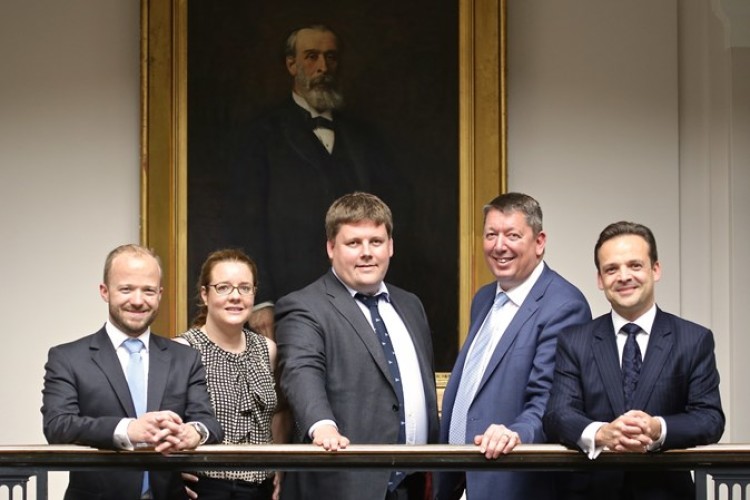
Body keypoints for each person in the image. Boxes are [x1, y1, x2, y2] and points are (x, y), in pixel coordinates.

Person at [204, 24, 401, 331]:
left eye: (330, 57)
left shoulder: (363, 137)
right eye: (311, 57)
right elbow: (246, 222)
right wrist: (261, 300)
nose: (323, 67)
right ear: (291, 64)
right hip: (288, 302)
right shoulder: (261, 134)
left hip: (358, 304)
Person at [542, 221, 725, 499]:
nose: (624, 276)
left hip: (665, 493)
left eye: (635, 265)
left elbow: (709, 418)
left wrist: (656, 429)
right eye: (611, 269)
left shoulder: (694, 339)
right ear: (600, 280)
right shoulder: (574, 341)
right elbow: (557, 415)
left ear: (656, 269)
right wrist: (602, 433)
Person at [275, 192, 439, 500]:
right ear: (331, 248)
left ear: (390, 246)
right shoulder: (303, 306)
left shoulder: (410, 304)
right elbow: (301, 370)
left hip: (416, 484)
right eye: (353, 243)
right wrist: (322, 427)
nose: (366, 252)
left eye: (375, 241)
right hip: (343, 485)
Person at [436, 193, 592, 500]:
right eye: (491, 235)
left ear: (539, 241)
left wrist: (516, 433)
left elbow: (552, 400)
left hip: (513, 482)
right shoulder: (483, 299)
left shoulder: (564, 306)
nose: (499, 246)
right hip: (464, 479)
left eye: (512, 235)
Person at [41, 244, 223, 500]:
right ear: (105, 291)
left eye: (148, 290)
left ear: (160, 294)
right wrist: (128, 430)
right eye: (126, 289)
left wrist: (193, 432)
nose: (138, 301)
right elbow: (57, 426)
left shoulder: (185, 357)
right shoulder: (68, 358)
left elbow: (210, 424)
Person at [175, 249, 291, 500]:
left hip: (262, 489)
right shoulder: (183, 349)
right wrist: (167, 473)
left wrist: (280, 465)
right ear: (205, 295)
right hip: (205, 488)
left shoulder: (267, 350)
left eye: (244, 288)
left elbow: (279, 413)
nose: (235, 297)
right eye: (224, 287)